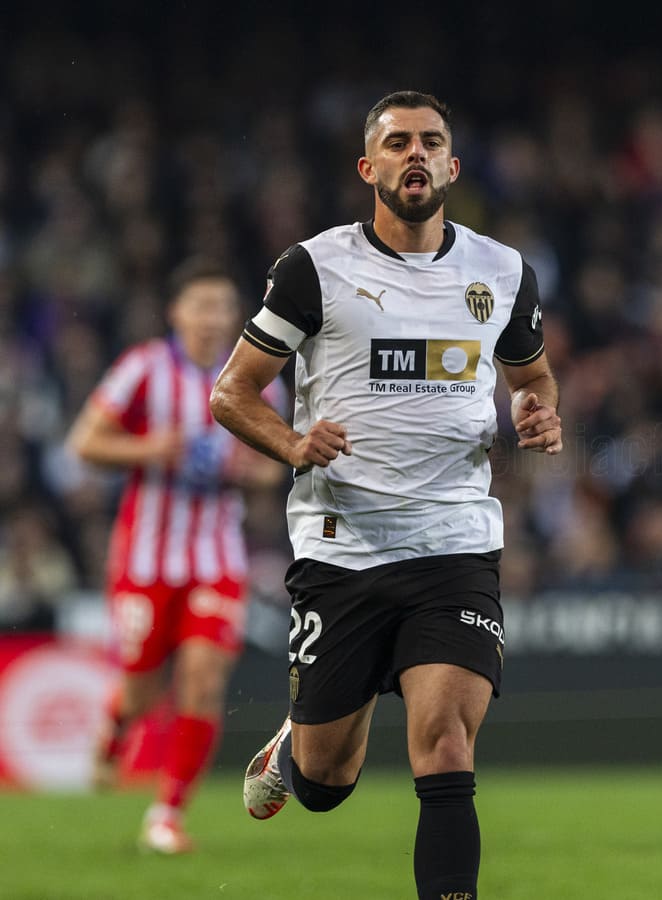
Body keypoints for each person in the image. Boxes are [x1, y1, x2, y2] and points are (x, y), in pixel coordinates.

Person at [210, 91, 561, 900]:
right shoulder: (314, 267)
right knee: (325, 782)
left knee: (444, 743)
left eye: (430, 142)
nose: (416, 155)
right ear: (369, 167)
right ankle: (304, 735)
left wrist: (533, 409)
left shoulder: (502, 272)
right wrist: (295, 445)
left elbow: (531, 375)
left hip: (455, 544)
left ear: (452, 166)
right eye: (398, 143)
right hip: (343, 545)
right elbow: (232, 393)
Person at [67, 258, 284, 854]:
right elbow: (85, 442)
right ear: (177, 313)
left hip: (217, 558)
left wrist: (254, 472)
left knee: (203, 677)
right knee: (142, 692)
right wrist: (149, 447)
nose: (215, 318)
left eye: (224, 306)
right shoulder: (144, 368)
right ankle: (118, 723)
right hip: (143, 560)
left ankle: (166, 814)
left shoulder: (259, 376)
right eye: (203, 305)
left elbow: (277, 462)